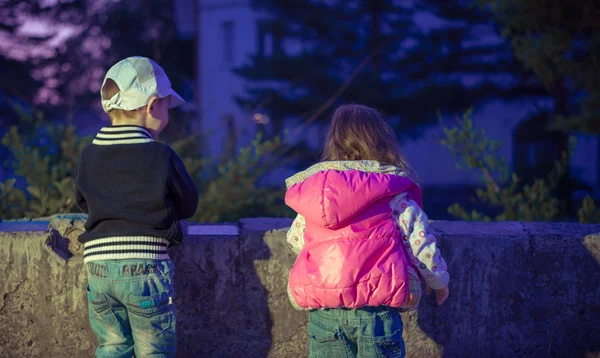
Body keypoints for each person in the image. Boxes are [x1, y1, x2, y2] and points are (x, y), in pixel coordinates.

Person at [284, 104, 450, 357]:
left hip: (325, 310)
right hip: (377, 311)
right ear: (382, 142)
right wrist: (438, 281)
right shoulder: (391, 194)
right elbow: (419, 243)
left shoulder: (315, 194)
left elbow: (295, 238)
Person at [74, 56, 199, 358]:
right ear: (153, 105)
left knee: (113, 346)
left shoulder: (88, 155)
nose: (167, 114)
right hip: (145, 266)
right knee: (154, 350)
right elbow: (188, 203)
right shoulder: (160, 155)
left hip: (99, 268)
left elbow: (82, 201)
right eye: (168, 106)